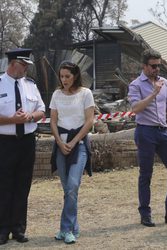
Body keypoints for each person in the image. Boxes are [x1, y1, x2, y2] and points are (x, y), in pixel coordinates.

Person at [128, 48, 167, 227]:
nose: (157, 69)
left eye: (159, 66)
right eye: (153, 66)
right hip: (145, 132)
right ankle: (145, 213)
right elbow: (135, 109)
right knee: (146, 174)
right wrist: (153, 93)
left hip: (164, 132)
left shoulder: (164, 82)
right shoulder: (135, 84)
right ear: (144, 66)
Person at [0, 48, 45, 245]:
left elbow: (42, 109)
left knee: (22, 185)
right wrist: (12, 119)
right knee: (4, 186)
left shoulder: (30, 85)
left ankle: (18, 228)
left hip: (26, 141)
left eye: (27, 65)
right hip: (5, 142)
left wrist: (30, 116)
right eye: (23, 64)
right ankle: (2, 230)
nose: (26, 68)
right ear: (12, 63)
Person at [50, 60, 95, 244]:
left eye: (67, 76)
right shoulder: (56, 94)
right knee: (67, 189)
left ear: (75, 75)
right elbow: (53, 120)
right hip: (61, 143)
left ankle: (65, 229)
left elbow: (90, 120)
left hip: (79, 143)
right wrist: (60, 142)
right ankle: (74, 227)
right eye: (61, 76)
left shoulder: (86, 93)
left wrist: (75, 141)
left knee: (73, 186)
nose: (64, 79)